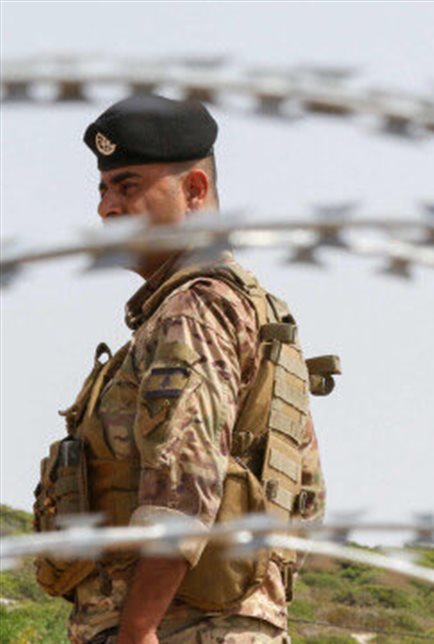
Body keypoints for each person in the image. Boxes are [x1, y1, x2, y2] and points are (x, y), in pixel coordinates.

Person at [30, 94, 330, 644]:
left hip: (177, 627)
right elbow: (305, 501)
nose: (107, 209)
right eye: (103, 190)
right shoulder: (252, 309)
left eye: (128, 186)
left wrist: (140, 626)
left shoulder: (193, 309)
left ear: (193, 190)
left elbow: (184, 480)